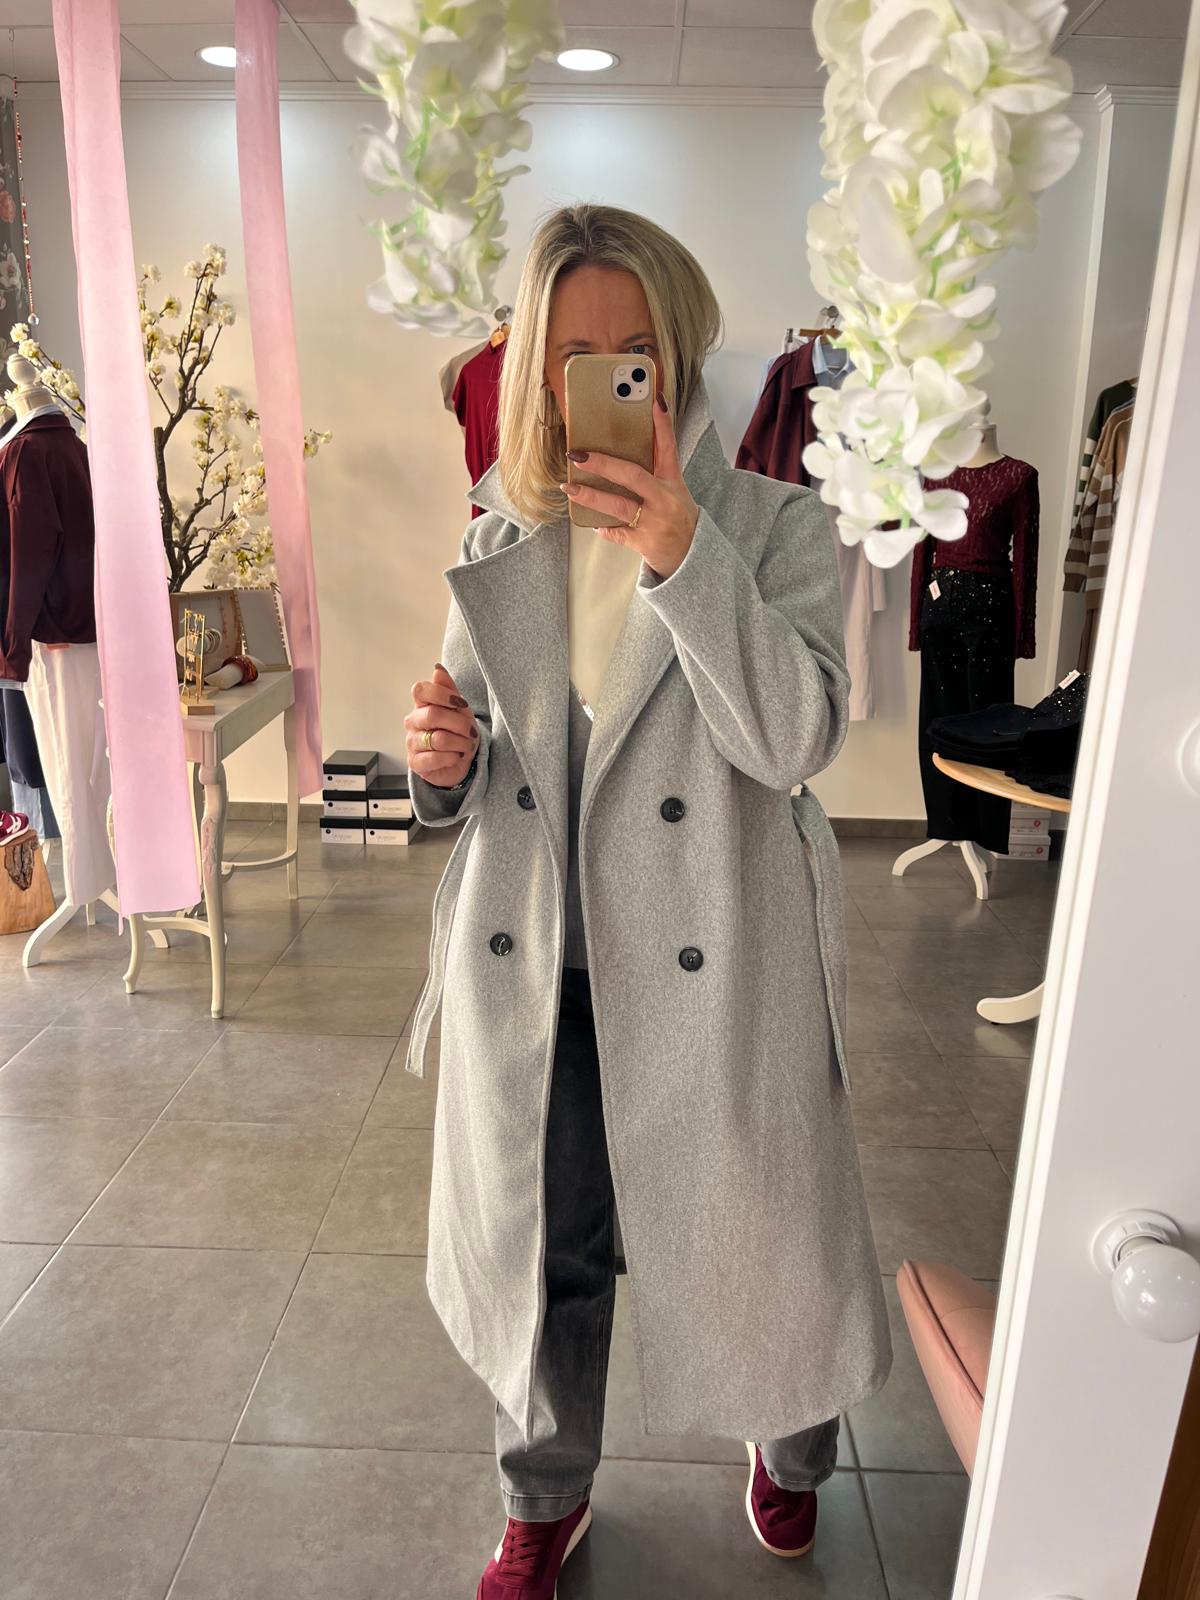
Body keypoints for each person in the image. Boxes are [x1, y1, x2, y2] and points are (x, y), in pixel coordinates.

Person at [404, 204, 891, 1600]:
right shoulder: (504, 533)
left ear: (675, 358)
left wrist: (686, 555)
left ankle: (793, 1451)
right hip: (542, 962)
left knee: (765, 1230)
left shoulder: (776, 527)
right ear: (536, 369)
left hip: (719, 954)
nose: (608, 379)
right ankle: (541, 1497)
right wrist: (443, 764)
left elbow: (794, 739)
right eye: (575, 353)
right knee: (547, 1250)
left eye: (635, 350)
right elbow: (475, 754)